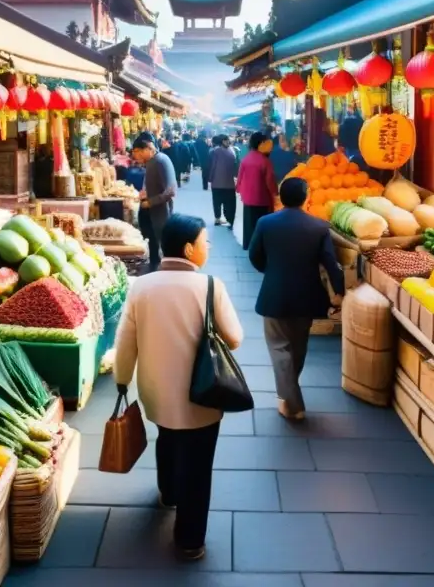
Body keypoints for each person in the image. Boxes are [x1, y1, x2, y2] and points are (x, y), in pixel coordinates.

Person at [113, 214, 243, 561]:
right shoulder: (211, 286)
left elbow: (125, 342)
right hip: (201, 394)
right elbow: (235, 338)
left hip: (155, 392)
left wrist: (122, 380)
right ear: (189, 248)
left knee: (168, 437)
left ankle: (168, 492)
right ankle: (189, 541)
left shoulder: (141, 286)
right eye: (205, 241)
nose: (208, 246)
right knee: (199, 467)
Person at [249, 178, 344, 419]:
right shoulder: (319, 226)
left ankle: (291, 402)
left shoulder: (265, 222)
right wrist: (339, 292)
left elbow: (254, 255)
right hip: (306, 295)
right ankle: (288, 398)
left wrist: (270, 272)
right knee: (298, 346)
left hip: (274, 293)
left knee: (279, 348)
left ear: (281, 196)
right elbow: (331, 264)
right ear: (306, 197)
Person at [132, 134, 177, 271]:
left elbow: (170, 191)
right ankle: (154, 268)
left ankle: (164, 273)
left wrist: (150, 202)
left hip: (160, 212)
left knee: (162, 244)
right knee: (153, 244)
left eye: (138, 152)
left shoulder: (161, 161)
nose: (136, 156)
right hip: (151, 213)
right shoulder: (152, 162)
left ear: (148, 148)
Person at [235, 132, 277, 250]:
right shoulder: (265, 161)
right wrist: (276, 192)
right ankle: (259, 248)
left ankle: (247, 245)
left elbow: (240, 177)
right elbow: (270, 182)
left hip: (247, 198)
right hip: (262, 199)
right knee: (261, 224)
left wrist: (239, 189)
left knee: (249, 223)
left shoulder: (246, 158)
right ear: (261, 144)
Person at [208, 135, 238, 228]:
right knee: (227, 202)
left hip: (218, 182)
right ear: (223, 141)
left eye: (228, 140)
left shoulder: (215, 151)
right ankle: (226, 219)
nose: (228, 141)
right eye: (227, 140)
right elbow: (235, 165)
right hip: (228, 183)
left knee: (217, 201)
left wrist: (210, 178)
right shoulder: (232, 151)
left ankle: (218, 218)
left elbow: (212, 165)